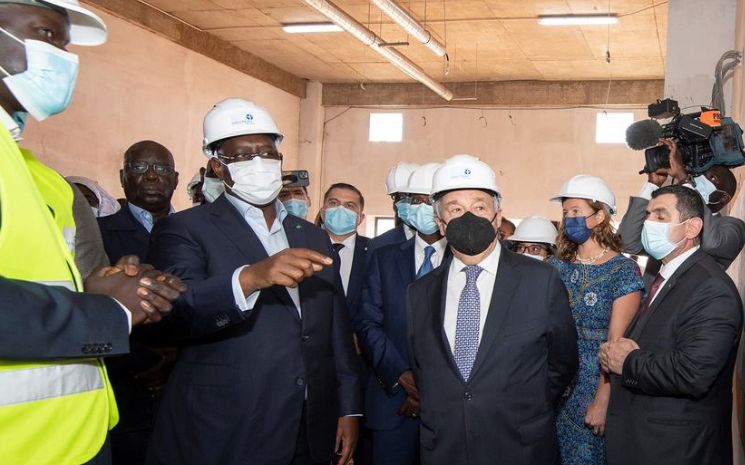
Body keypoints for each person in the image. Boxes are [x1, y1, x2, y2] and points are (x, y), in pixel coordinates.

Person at [0, 2, 185, 464]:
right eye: (46, 35)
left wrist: (113, 282)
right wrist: (111, 311)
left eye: (65, 45)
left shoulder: (40, 178)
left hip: (77, 439)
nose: (62, 59)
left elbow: (65, 280)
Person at [145, 98, 361, 465]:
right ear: (218, 166)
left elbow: (335, 330)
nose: (258, 162)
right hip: (227, 424)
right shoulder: (184, 230)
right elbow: (175, 312)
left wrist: (349, 408)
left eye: (266, 152)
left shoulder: (311, 235)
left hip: (309, 422)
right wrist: (249, 278)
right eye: (243, 156)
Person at [406, 155, 578, 465]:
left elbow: (562, 364)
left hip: (520, 446)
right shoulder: (419, 292)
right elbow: (423, 369)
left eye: (479, 207)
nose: (467, 216)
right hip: (444, 447)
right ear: (441, 223)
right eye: (455, 209)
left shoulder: (541, 281)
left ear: (497, 217)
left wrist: (520, 408)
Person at [601, 185, 743, 465]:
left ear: (692, 228)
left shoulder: (710, 287)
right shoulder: (663, 277)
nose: (649, 223)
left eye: (661, 216)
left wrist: (627, 361)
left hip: (677, 449)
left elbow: (693, 373)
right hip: (645, 441)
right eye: (648, 214)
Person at [548, 174, 644, 465]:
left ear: (599, 215)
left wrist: (603, 400)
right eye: (565, 213)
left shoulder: (623, 271)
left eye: (576, 211)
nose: (568, 218)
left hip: (593, 384)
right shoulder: (554, 267)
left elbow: (616, 344)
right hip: (551, 383)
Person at [354, 162, 445, 465]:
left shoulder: (466, 264)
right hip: (391, 401)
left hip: (451, 411)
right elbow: (368, 322)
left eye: (433, 200)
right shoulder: (384, 258)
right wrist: (403, 377)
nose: (425, 208)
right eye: (417, 200)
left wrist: (429, 389)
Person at [618, 138, 745, 286]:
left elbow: (711, 242)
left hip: (691, 304)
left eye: (712, 178)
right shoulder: (672, 223)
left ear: (724, 197)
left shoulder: (733, 227)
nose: (700, 179)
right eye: (700, 174)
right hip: (652, 304)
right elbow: (626, 241)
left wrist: (684, 180)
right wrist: (652, 185)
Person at [98, 140, 178, 263]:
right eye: (139, 167)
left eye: (162, 169)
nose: (151, 176)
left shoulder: (196, 231)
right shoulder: (97, 232)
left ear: (175, 180)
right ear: (122, 177)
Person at [319, 182, 369, 317]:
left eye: (350, 206)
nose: (340, 209)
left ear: (360, 218)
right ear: (323, 213)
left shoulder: (373, 251)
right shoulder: (305, 247)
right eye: (334, 203)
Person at [368, 162, 418, 252]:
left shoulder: (448, 241)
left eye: (412, 196)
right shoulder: (378, 245)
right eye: (400, 197)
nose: (407, 202)